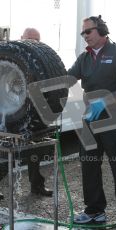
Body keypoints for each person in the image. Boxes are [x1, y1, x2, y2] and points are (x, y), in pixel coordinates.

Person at [67, 15, 116, 230]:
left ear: (101, 30)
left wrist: (105, 102)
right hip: (90, 119)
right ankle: (95, 211)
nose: (84, 36)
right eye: (82, 33)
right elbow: (69, 78)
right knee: (89, 164)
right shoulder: (84, 58)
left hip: (113, 120)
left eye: (88, 31)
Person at [20, 28, 52, 197]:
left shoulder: (42, 59)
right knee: (3, 154)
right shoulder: (10, 53)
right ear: (21, 38)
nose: (33, 43)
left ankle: (37, 186)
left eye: (36, 40)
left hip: (34, 112)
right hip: (10, 113)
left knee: (35, 152)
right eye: (30, 39)